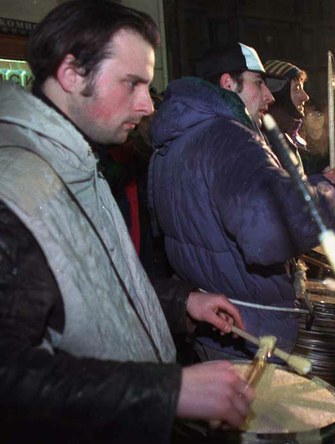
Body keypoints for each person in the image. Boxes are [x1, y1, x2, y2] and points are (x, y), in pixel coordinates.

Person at [0, 1, 258, 441]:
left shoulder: (77, 160)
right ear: (71, 74)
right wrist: (168, 391)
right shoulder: (15, 188)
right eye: (132, 83)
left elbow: (95, 286)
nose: (148, 105)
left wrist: (181, 302)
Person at [148, 42, 335, 362]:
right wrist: (328, 193)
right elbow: (268, 231)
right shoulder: (229, 137)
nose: (269, 96)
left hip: (214, 322)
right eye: (258, 83)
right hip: (251, 328)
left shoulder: (172, 143)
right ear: (228, 84)